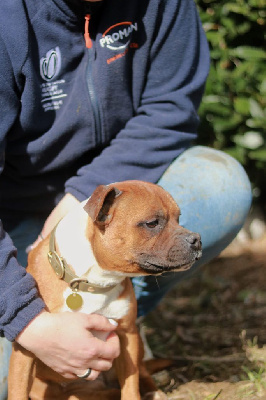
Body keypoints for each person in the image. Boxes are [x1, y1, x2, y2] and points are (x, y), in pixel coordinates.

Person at [0, 0, 252, 398]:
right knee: (23, 363)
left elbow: (170, 109)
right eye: (158, 225)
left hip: (121, 189)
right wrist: (25, 319)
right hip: (11, 216)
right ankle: (78, 336)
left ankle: (114, 319)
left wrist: (82, 195)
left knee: (220, 182)